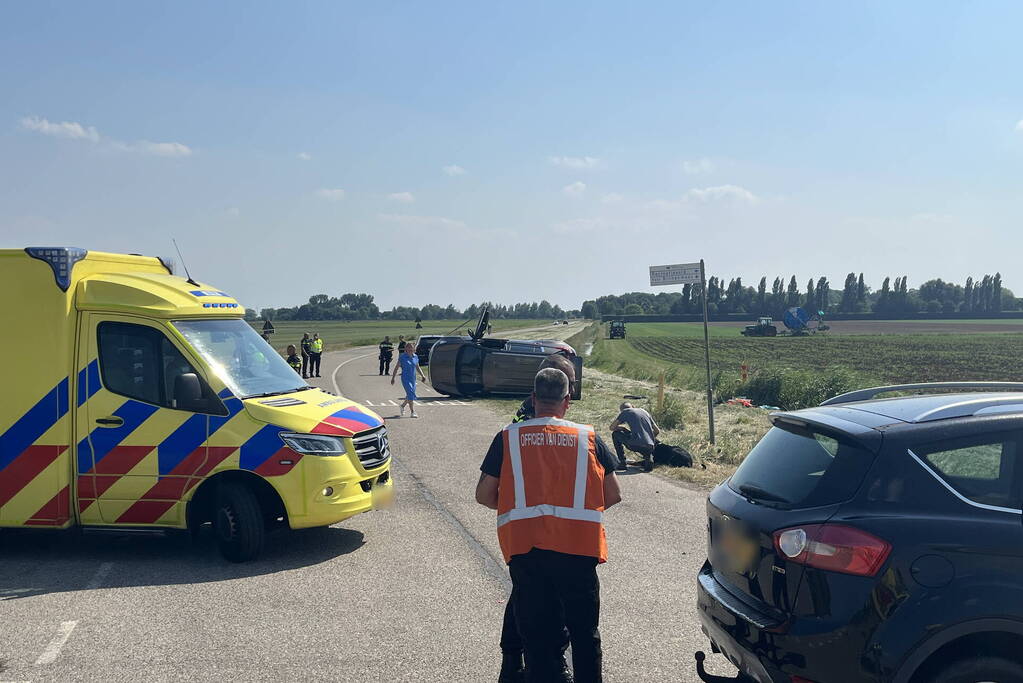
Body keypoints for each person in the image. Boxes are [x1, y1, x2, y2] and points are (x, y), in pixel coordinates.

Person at [476, 368, 622, 683]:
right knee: (585, 634)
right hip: (579, 549)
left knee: (537, 636)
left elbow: (484, 494)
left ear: (533, 399)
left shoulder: (509, 436)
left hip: (526, 550)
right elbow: (612, 494)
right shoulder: (588, 437)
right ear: (567, 400)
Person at [608, 402, 660, 472]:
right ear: (633, 406)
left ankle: (622, 462)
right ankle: (648, 458)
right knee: (645, 442)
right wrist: (650, 438)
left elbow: (612, 427)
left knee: (615, 434)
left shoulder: (625, 412)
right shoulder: (644, 412)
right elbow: (657, 431)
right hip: (650, 446)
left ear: (621, 410)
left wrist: (621, 428)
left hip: (635, 445)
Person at [391, 342, 427, 417]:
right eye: (408, 347)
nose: (410, 349)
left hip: (413, 379)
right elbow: (397, 367)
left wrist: (423, 376)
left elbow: (417, 367)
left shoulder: (415, 357)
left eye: (411, 347)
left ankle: (402, 406)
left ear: (414, 348)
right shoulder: (402, 357)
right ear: (406, 349)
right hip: (405, 378)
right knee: (411, 394)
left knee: (410, 395)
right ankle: (412, 412)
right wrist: (393, 378)